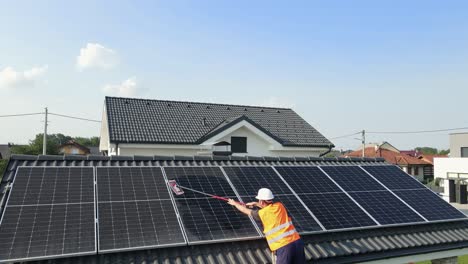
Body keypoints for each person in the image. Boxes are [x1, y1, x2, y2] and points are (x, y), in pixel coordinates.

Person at [228, 188, 305, 264]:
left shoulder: (261, 213)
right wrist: (255, 203)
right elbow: (268, 207)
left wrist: (235, 204)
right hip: (297, 242)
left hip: (284, 247)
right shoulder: (280, 206)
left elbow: (245, 210)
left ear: (261, 201)